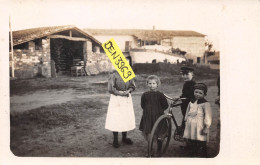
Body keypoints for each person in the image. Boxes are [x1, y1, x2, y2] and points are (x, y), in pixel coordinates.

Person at [105, 61, 136, 148]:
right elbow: (111, 89)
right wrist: (122, 93)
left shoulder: (129, 75)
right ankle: (115, 139)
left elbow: (133, 86)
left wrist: (129, 91)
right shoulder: (113, 75)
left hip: (126, 98)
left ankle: (124, 137)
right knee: (116, 118)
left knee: (125, 117)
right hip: (116, 99)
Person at [139, 75, 169, 156]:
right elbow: (142, 105)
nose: (152, 85)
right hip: (148, 117)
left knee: (159, 133)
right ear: (147, 84)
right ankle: (150, 149)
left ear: (157, 84)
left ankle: (159, 149)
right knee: (149, 133)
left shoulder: (160, 95)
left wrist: (158, 110)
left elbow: (165, 105)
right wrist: (148, 111)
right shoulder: (145, 95)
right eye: (150, 83)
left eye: (154, 83)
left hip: (158, 116)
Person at [183, 83, 212, 157]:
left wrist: (206, 126)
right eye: (196, 92)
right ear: (193, 92)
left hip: (200, 124)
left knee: (201, 138)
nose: (197, 94)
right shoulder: (191, 101)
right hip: (191, 123)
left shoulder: (205, 104)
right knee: (192, 137)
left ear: (204, 94)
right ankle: (193, 150)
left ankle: (203, 152)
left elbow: (208, 115)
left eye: (200, 93)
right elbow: (188, 110)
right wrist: (186, 118)